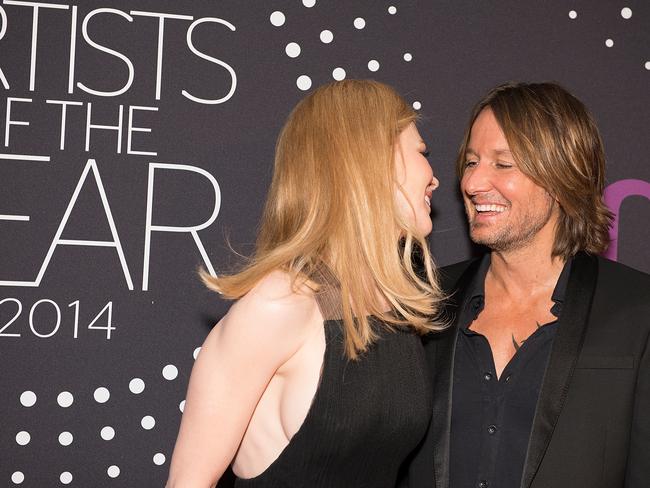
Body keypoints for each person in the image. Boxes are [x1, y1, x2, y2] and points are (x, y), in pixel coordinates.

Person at [166, 79, 445, 488]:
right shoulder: (280, 304)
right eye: (421, 152)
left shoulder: (396, 309)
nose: (435, 178)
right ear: (370, 159)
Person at [406, 82, 650, 488]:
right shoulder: (423, 302)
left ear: (560, 177)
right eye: (471, 162)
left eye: (503, 164)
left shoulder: (636, 312)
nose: (472, 183)